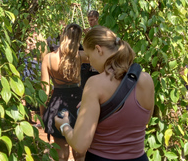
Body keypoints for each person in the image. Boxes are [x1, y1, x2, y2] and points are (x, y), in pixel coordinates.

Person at [54, 26, 155, 161]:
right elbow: (144, 120)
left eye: (89, 56)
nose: (91, 62)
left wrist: (64, 125)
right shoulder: (146, 79)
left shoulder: (95, 84)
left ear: (98, 50)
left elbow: (79, 144)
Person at [40, 23, 86, 161]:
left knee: (61, 154)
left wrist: (43, 114)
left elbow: (44, 90)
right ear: (78, 39)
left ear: (63, 35)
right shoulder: (81, 56)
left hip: (57, 104)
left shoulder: (48, 58)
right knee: (80, 152)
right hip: (78, 103)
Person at [81, 10, 100, 89]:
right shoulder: (89, 30)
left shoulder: (101, 30)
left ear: (97, 18)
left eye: (92, 20)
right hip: (89, 65)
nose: (90, 22)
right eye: (89, 20)